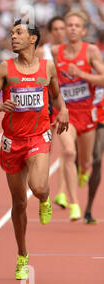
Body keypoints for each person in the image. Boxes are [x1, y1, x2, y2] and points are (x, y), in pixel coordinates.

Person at [0, 19, 69, 280]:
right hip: (12, 141)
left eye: (19, 33)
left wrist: (63, 110)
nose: (13, 37)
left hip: (38, 136)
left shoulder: (47, 67)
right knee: (19, 203)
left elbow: (55, 96)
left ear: (33, 39)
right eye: (11, 33)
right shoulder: (5, 68)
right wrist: (0, 107)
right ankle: (22, 254)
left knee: (40, 187)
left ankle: (44, 199)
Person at [51, 11, 104, 221]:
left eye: (76, 26)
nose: (72, 28)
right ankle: (74, 204)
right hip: (65, 114)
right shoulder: (55, 51)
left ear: (83, 30)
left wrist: (81, 74)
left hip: (87, 114)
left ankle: (84, 170)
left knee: (86, 161)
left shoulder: (90, 51)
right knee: (68, 152)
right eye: (69, 25)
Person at [36, 16, 69, 209]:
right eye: (55, 29)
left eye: (61, 28)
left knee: (68, 149)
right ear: (50, 32)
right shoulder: (42, 52)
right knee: (46, 152)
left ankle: (62, 193)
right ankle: (44, 192)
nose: (59, 32)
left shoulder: (72, 52)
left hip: (66, 107)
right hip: (46, 108)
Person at [84, 86, 104, 224]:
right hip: (82, 114)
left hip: (101, 116)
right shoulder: (81, 65)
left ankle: (88, 209)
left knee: (97, 159)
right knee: (80, 160)